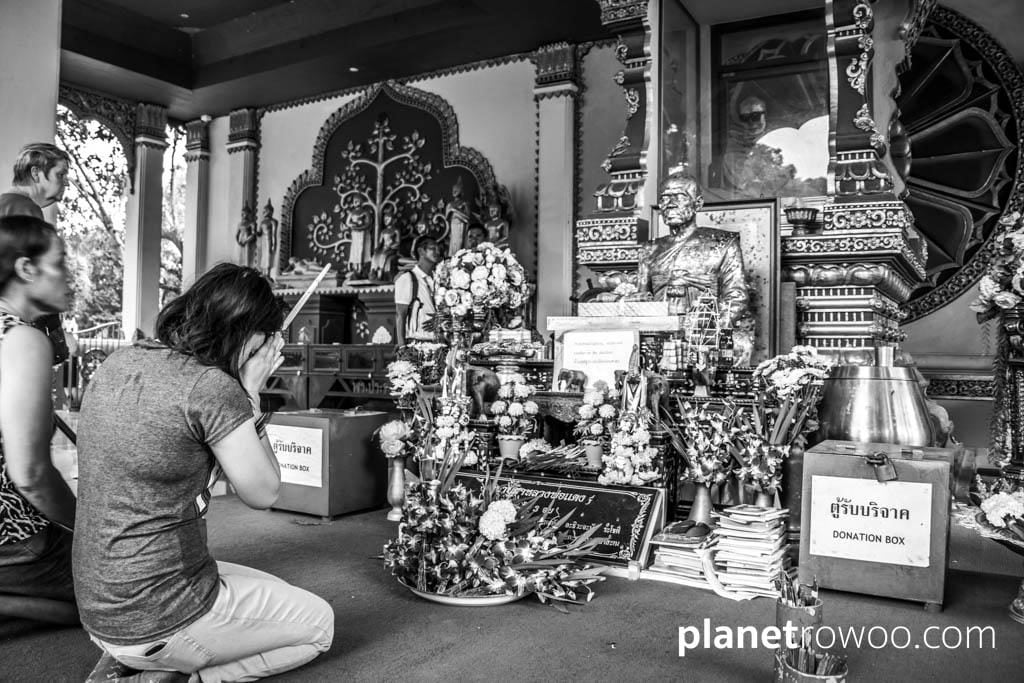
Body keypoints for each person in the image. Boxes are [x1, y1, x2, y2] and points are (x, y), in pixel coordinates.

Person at [73, 264, 334, 681]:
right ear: (248, 335)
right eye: (269, 337)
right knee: (320, 624)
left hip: (99, 601)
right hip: (158, 613)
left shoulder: (121, 359)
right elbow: (264, 492)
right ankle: (173, 675)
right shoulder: (212, 388)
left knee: (275, 589)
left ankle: (132, 658)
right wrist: (250, 392)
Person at [0, 215, 78, 625]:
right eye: (60, 263)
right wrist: (86, 530)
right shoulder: (22, 340)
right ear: (26, 269)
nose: (70, 276)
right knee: (135, 594)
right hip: (10, 536)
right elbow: (29, 473)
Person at [632, 171, 748, 328]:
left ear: (698, 204)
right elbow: (642, 300)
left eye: (680, 196)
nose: (671, 203)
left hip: (705, 335)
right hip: (658, 333)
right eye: (665, 198)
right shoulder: (649, 250)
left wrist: (710, 330)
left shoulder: (722, 243)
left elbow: (736, 297)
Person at [0, 143, 71, 366]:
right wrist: (55, 338)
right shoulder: (25, 209)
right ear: (36, 173)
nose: (65, 183)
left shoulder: (5, 204)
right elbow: (32, 281)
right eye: (60, 174)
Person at [394, 236, 440, 346]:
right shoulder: (407, 278)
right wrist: (402, 347)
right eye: (433, 248)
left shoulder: (439, 278)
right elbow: (400, 314)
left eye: (438, 248)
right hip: (418, 342)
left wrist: (441, 320)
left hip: (441, 342)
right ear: (421, 251)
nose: (438, 252)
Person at [444, 177, 470, 257]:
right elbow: (447, 218)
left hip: (461, 226)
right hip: (453, 226)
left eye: (457, 190)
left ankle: (459, 258)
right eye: (453, 190)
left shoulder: (465, 203)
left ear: (461, 191)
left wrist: (455, 210)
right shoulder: (450, 204)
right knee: (453, 244)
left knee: (460, 244)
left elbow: (467, 217)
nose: (454, 191)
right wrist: (451, 209)